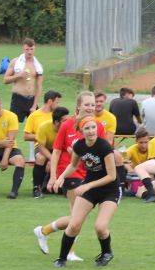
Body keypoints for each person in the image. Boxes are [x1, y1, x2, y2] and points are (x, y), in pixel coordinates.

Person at [35, 92, 106, 260]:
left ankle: (44, 231)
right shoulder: (67, 125)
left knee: (77, 217)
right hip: (70, 174)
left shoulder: (97, 126)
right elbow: (56, 151)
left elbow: (102, 150)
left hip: (89, 176)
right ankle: (69, 252)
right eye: (87, 104)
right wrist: (53, 176)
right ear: (78, 106)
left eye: (92, 104)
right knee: (77, 217)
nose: (90, 108)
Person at [49, 117, 119, 268]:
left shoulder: (104, 146)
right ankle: (61, 259)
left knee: (100, 227)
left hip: (110, 190)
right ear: (81, 131)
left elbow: (111, 176)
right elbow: (73, 166)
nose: (91, 131)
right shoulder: (79, 146)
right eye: (87, 128)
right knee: (74, 224)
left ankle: (107, 252)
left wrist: (88, 185)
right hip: (90, 188)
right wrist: (60, 177)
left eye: (93, 127)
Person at [23, 90, 61, 197]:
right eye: (57, 102)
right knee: (41, 158)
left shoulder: (57, 115)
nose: (59, 105)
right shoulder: (34, 116)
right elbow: (26, 136)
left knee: (50, 164)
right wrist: (41, 136)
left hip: (57, 147)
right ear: (50, 102)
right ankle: (37, 187)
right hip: (41, 147)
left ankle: (51, 185)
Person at [4, 38, 44, 120]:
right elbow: (5, 80)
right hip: (18, 99)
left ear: (34, 49)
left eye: (31, 49)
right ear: (23, 49)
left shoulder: (37, 66)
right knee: (13, 123)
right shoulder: (15, 62)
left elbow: (39, 87)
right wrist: (18, 75)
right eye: (27, 49)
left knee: (36, 124)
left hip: (31, 99)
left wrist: (34, 106)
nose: (29, 52)